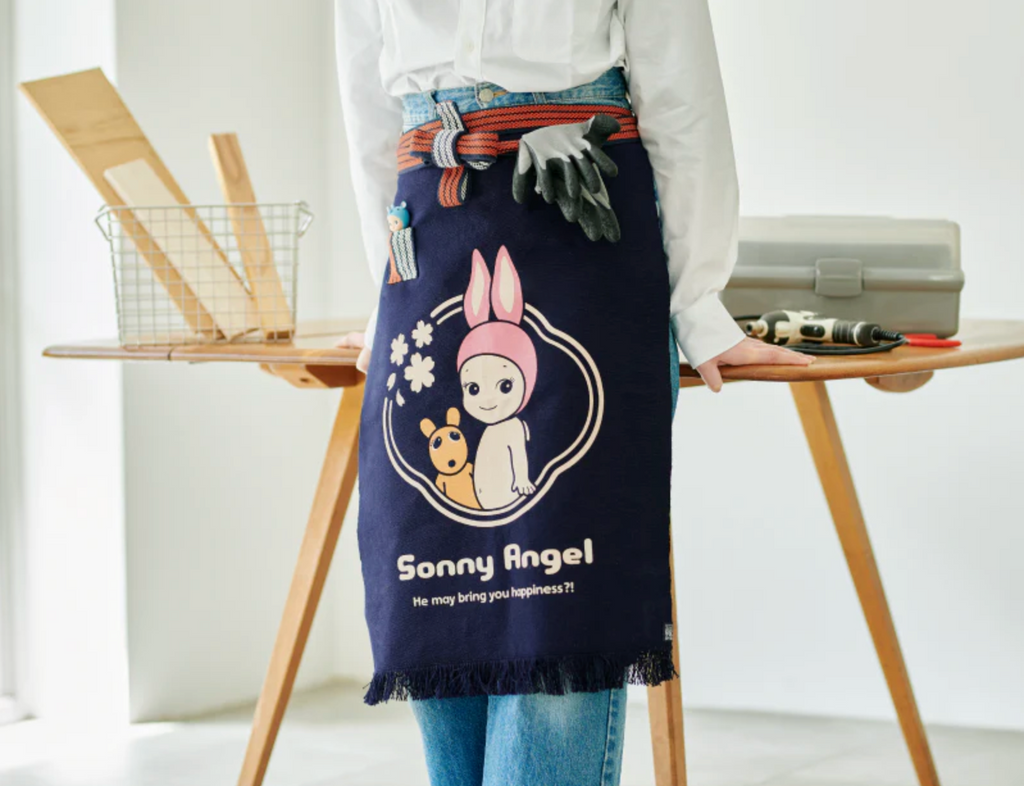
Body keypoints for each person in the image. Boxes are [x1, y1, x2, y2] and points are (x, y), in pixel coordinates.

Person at [333, 2, 812, 785]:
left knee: (560, 599)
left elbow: (680, 92)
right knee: (434, 586)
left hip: (578, 212)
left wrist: (698, 303)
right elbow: (367, 105)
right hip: (426, 226)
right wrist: (384, 286)